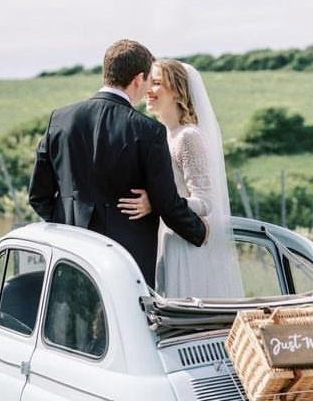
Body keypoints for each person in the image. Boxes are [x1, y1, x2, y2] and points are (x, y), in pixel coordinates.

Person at [28, 39, 207, 285]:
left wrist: (66, 223)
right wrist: (198, 231)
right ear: (138, 79)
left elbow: (38, 195)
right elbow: (166, 203)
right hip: (126, 268)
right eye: (147, 82)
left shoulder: (60, 120)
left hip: (68, 260)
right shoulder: (148, 131)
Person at [117, 59, 244, 299]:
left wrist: (156, 202)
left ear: (176, 90)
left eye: (156, 83)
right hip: (165, 239)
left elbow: (205, 201)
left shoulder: (188, 137)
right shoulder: (162, 135)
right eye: (148, 83)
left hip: (185, 247)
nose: (148, 90)